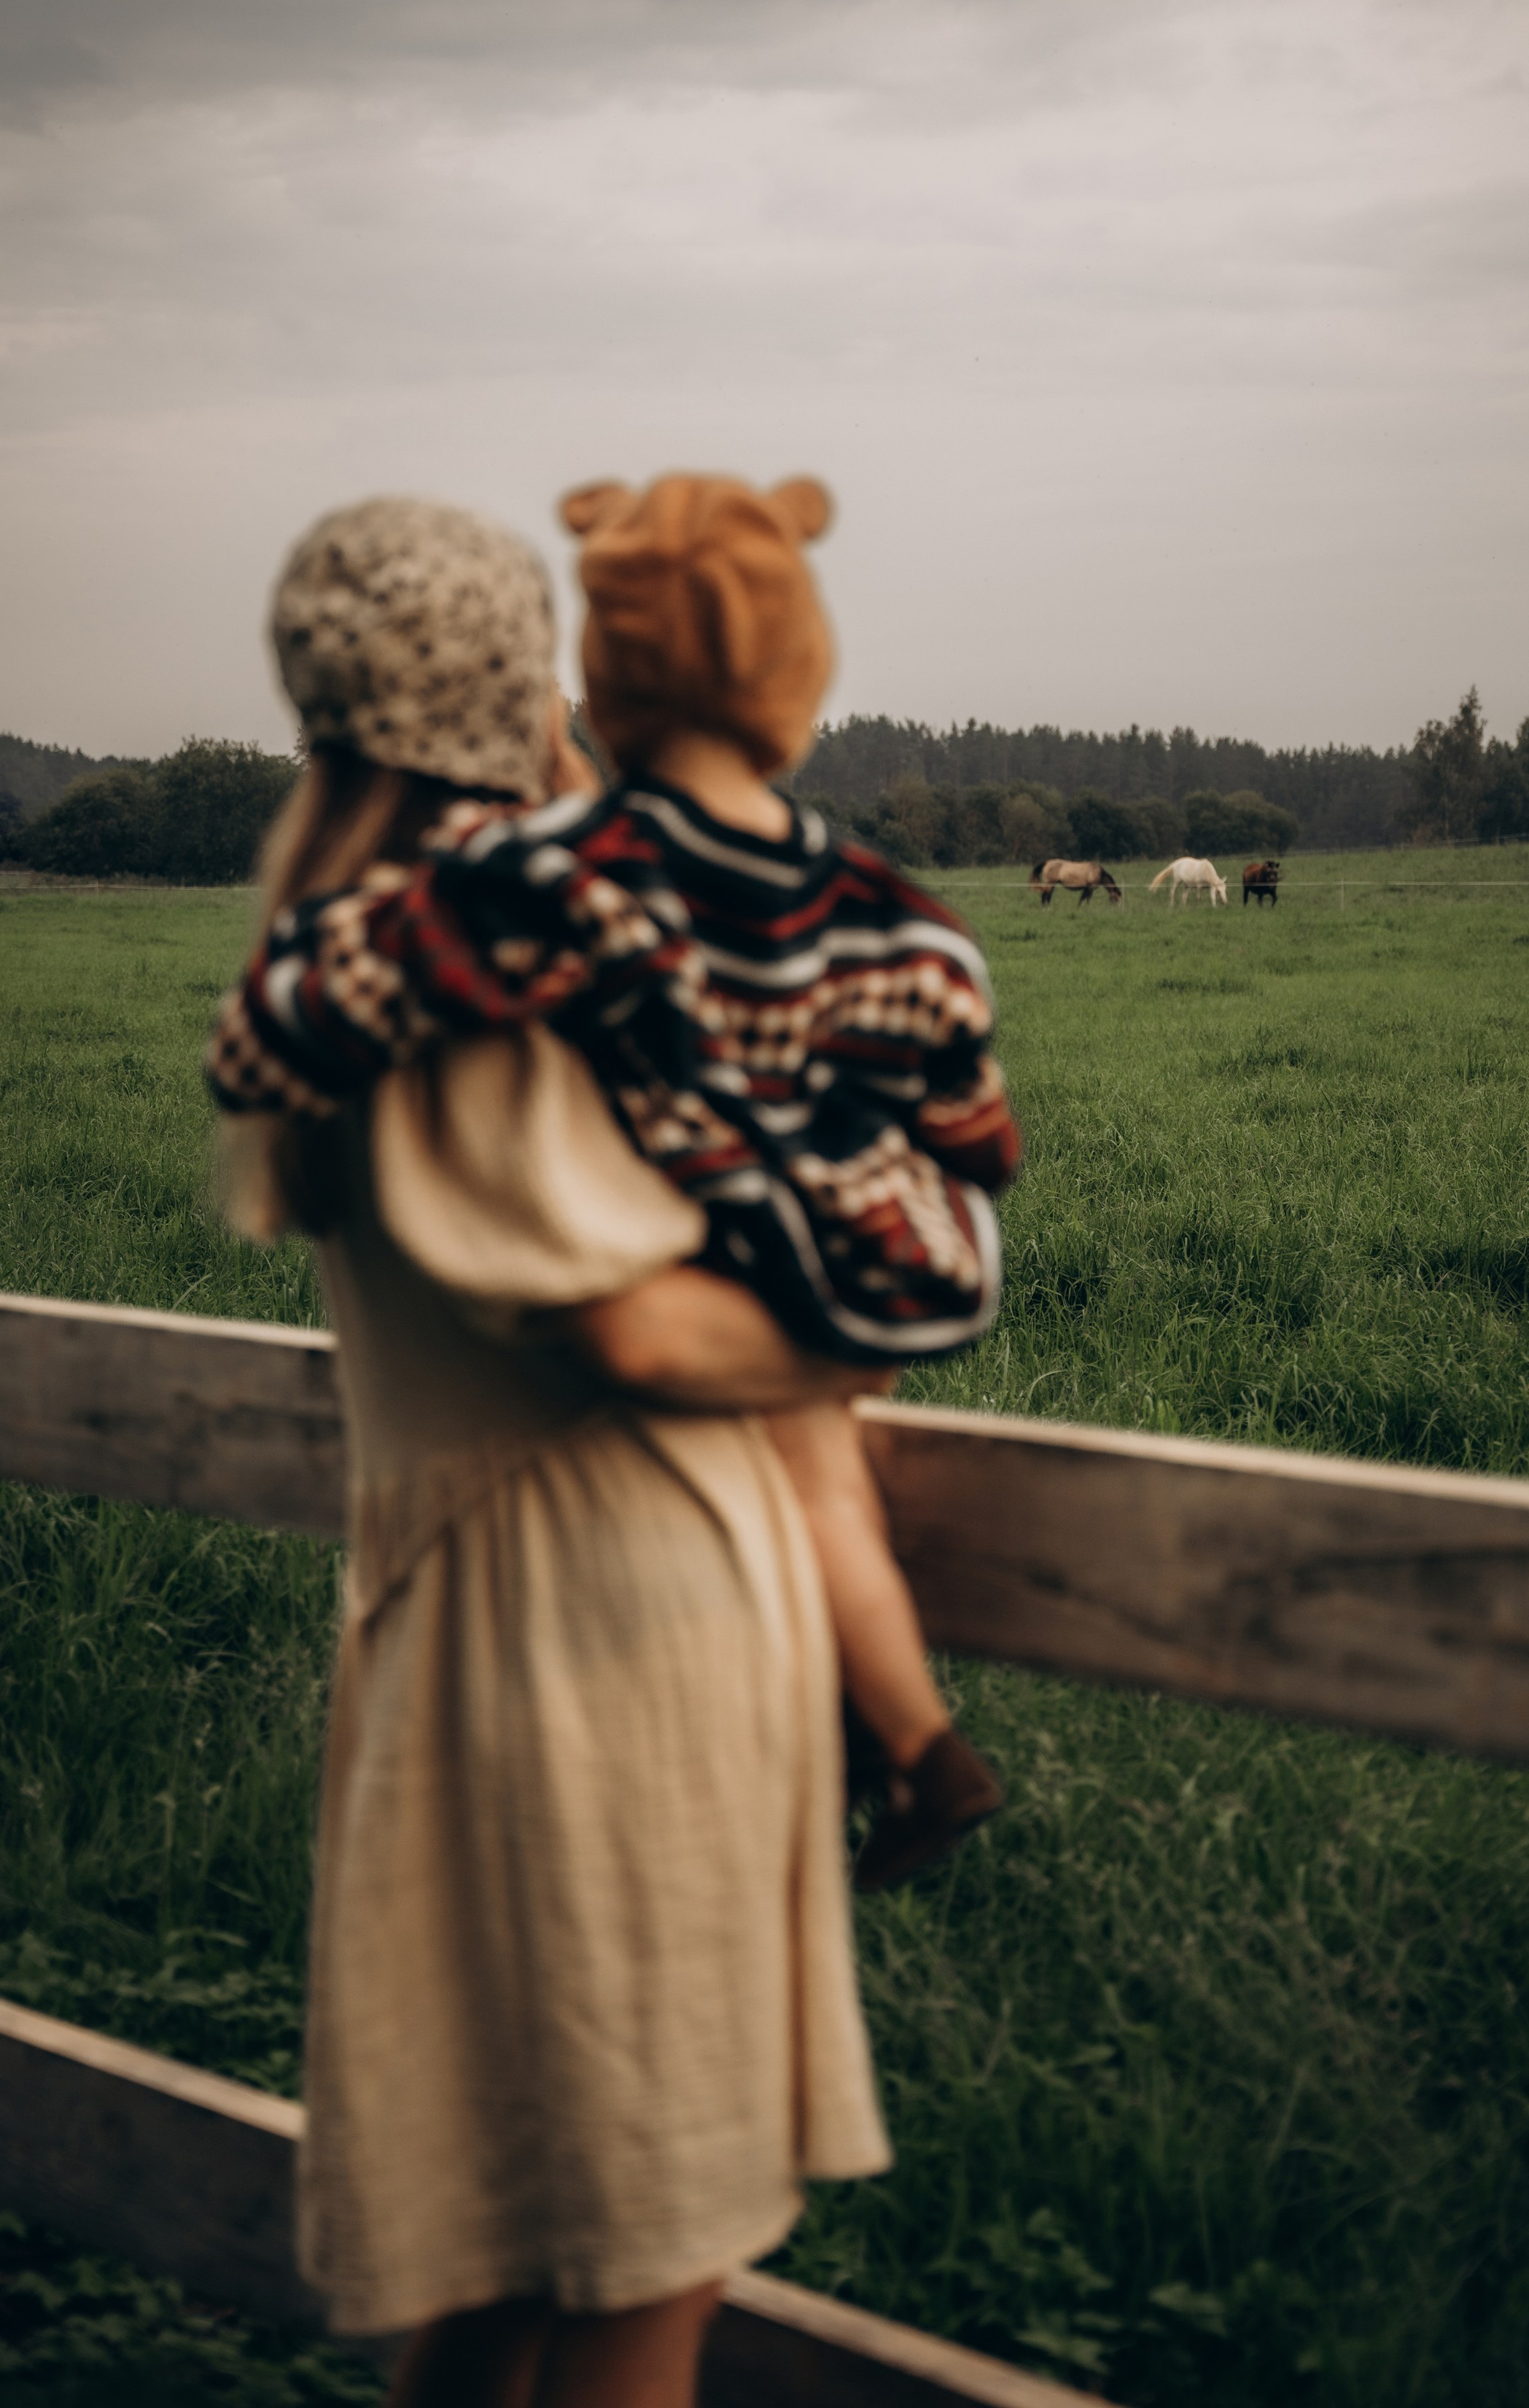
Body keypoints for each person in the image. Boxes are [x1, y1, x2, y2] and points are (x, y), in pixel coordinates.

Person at [214, 496, 892, 2408]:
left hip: (488, 1611)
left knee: (522, 2252)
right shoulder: (474, 981)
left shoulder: (348, 958)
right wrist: (887, 1303)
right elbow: (638, 1320)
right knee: (642, 2269)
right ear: (527, 695)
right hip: (606, 1640)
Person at [212, 472, 1017, 1889]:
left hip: (520, 1614)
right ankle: (900, 1726)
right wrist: (877, 1294)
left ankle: (892, 1730)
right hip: (655, 1567)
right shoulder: (899, 921)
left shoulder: (539, 913)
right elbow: (966, 1140)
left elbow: (273, 1029)